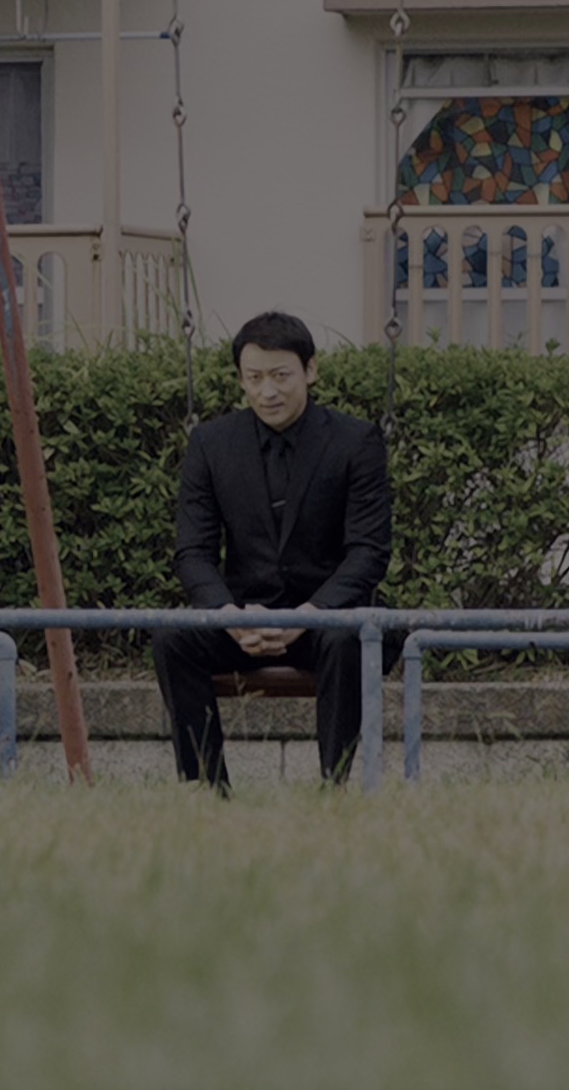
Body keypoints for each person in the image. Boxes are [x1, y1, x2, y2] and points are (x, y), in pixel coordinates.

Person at [152, 311, 394, 790]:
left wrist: (307, 616)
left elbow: (368, 552)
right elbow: (193, 552)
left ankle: (334, 789)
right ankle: (205, 790)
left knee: (350, 641)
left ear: (310, 370)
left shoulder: (355, 441)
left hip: (326, 618)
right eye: (254, 378)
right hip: (246, 617)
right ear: (241, 379)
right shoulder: (211, 444)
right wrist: (230, 617)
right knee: (171, 639)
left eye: (281, 376)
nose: (268, 392)